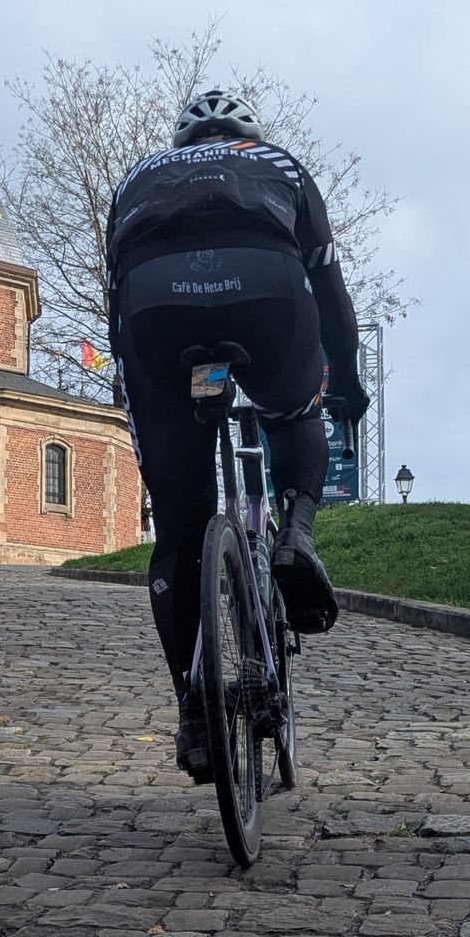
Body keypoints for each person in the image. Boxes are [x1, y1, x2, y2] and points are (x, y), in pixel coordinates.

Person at [104, 91, 370, 782]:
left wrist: (147, 392)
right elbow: (331, 291)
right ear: (246, 132)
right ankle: (297, 534)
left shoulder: (140, 175)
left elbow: (115, 309)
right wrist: (347, 381)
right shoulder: (279, 164)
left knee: (180, 533)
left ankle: (195, 712)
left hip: (155, 307)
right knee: (295, 411)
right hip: (267, 293)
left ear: (181, 139)